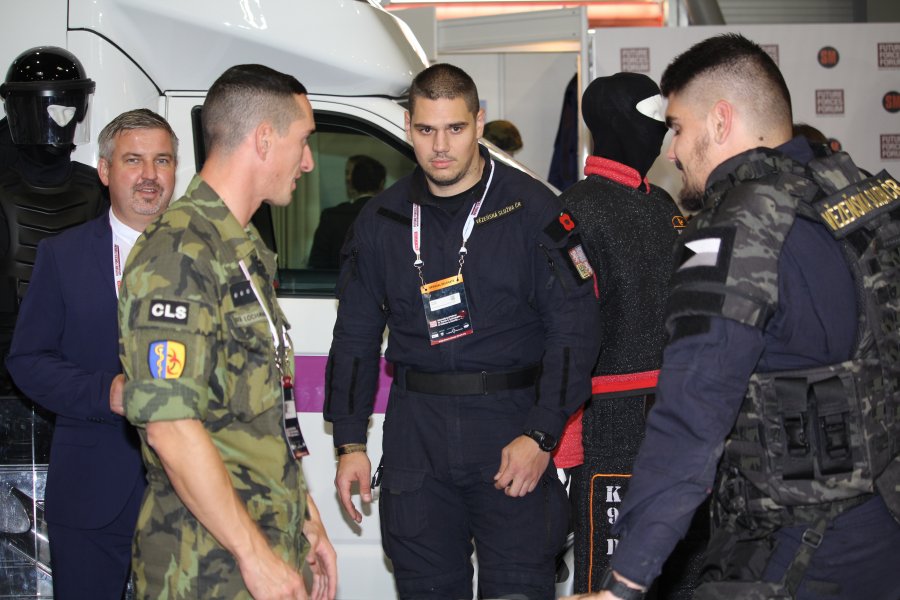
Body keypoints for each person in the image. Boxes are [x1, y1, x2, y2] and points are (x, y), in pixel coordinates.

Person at [565, 33, 900, 600]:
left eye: (677, 128)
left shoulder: (735, 231)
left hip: (793, 551)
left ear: (720, 122)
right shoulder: (868, 195)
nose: (672, 152)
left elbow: (689, 415)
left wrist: (624, 581)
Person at [324, 62, 600, 600]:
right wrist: (350, 442)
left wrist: (543, 435)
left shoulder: (533, 209)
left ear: (479, 123)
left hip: (511, 428)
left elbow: (576, 327)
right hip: (416, 434)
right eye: (426, 129)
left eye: (455, 128)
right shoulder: (381, 220)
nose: (440, 146)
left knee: (519, 588)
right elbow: (354, 336)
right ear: (408, 127)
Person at [118, 64, 337, 600]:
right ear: (264, 139)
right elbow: (170, 427)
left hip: (263, 543)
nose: (308, 161)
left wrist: (305, 516)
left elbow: (260, 414)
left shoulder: (243, 250)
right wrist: (255, 557)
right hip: (206, 567)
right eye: (303, 140)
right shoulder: (179, 252)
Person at [6, 108, 177, 599]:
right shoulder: (63, 255)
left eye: (162, 160)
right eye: (133, 160)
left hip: (188, 494)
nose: (149, 175)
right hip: (91, 489)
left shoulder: (207, 259)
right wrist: (107, 393)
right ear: (104, 170)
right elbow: (27, 360)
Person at [557, 73, 690, 596]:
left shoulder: (663, 204)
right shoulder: (573, 211)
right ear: (615, 123)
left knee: (681, 568)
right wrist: (567, 444)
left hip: (676, 417)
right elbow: (566, 333)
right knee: (612, 575)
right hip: (610, 426)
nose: (660, 130)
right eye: (651, 116)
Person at [0, 46, 107, 392]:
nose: (62, 121)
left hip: (78, 371)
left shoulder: (98, 189)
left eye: (70, 108)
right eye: (52, 109)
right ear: (23, 112)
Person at [308, 154, 386, 269]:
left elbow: (316, 265)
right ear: (382, 183)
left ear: (352, 182)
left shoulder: (331, 216)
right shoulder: (392, 217)